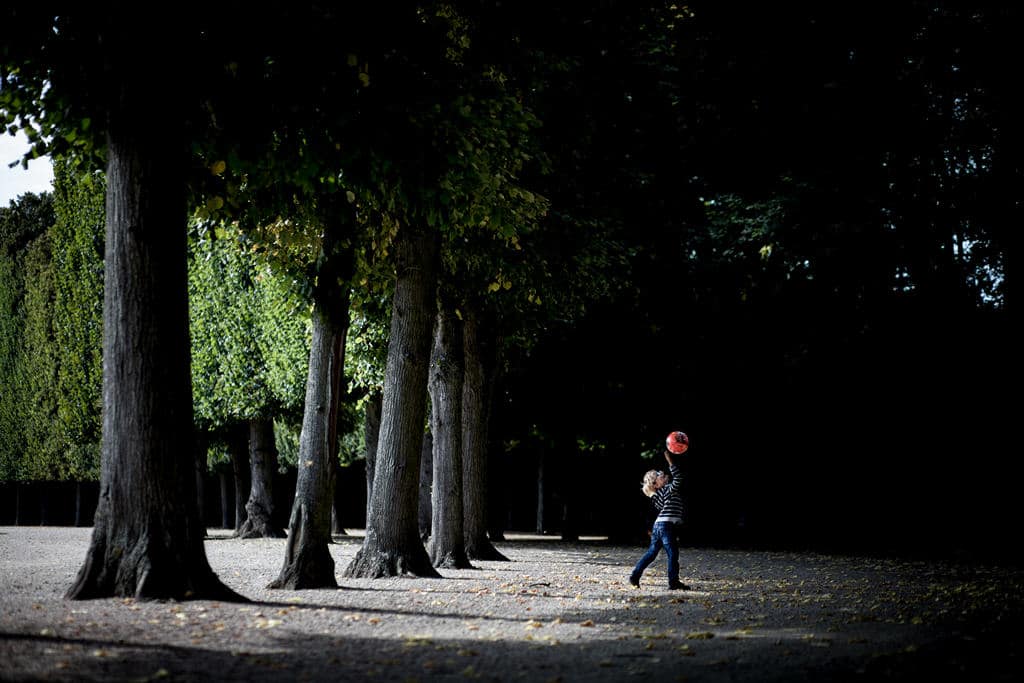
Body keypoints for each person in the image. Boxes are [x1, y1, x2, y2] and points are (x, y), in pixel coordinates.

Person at [629, 446, 689, 590]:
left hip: (660, 527)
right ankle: (673, 582)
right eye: (658, 474)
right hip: (665, 527)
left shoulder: (660, 494)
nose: (662, 473)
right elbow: (679, 477)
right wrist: (669, 460)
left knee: (652, 553)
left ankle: (635, 576)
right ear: (656, 484)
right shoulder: (667, 489)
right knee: (672, 552)